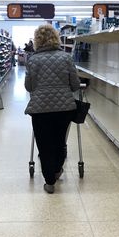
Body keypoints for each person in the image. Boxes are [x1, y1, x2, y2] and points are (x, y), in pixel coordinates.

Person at [24, 24, 80, 194]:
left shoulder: (32, 60)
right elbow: (75, 85)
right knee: (59, 141)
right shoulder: (66, 58)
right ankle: (56, 170)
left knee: (44, 144)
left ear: (37, 40)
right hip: (64, 108)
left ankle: (49, 181)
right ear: (56, 38)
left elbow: (29, 86)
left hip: (40, 109)